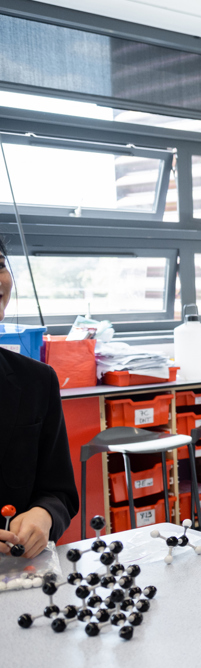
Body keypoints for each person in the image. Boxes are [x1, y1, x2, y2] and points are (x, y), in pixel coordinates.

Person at [0, 235, 78, 560]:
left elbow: (60, 492)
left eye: (0, 265)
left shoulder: (37, 380)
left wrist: (44, 515)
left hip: (20, 574)